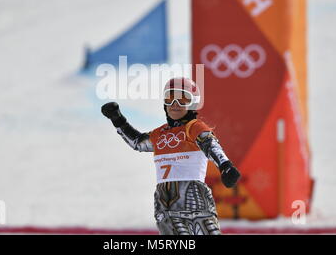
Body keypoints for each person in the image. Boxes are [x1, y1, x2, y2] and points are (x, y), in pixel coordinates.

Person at [101, 77, 240, 235]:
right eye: (170, 98)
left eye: (183, 99)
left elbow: (210, 144)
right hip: (165, 201)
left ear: (192, 103)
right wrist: (118, 120)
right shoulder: (159, 133)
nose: (175, 104)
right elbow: (138, 143)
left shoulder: (193, 127)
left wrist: (225, 166)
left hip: (193, 199)